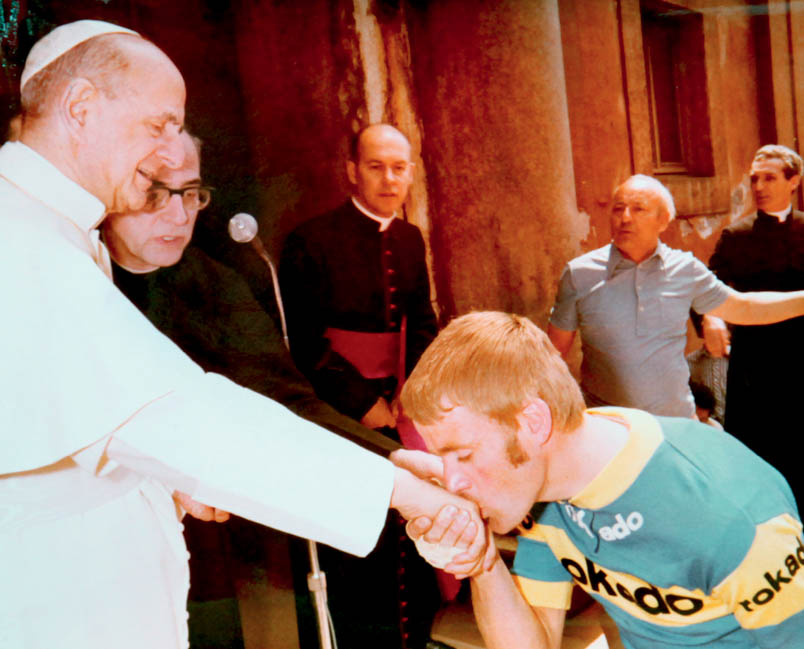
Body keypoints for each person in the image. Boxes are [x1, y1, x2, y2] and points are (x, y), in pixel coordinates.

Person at [0, 20, 488, 649]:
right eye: (158, 125)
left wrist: (164, 477)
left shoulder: (57, 228)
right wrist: (402, 491)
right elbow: (176, 413)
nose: (163, 153)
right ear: (81, 108)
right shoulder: (21, 240)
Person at [101, 131, 403, 646]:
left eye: (191, 193)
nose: (179, 216)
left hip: (198, 541)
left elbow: (287, 399)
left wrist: (396, 463)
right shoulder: (68, 276)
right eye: (154, 194)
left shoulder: (215, 284)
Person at [400, 311, 804, 649]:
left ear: (533, 423)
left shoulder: (734, 517)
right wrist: (481, 560)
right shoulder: (543, 494)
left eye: (464, 455)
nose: (452, 481)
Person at [280, 123, 444, 648]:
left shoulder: (410, 237)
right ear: (353, 171)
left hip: (401, 406)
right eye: (376, 166)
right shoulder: (311, 240)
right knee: (358, 544)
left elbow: (421, 324)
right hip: (338, 412)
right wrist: (364, 403)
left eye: (399, 167)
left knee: (410, 541)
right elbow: (304, 343)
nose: (389, 178)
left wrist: (407, 392)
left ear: (411, 173)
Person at [547, 174, 804, 418]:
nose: (625, 218)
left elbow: (744, 307)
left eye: (639, 209)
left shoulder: (685, 269)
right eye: (618, 208)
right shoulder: (579, 274)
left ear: (663, 220)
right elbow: (552, 354)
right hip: (612, 429)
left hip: (675, 426)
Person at [702, 144, 804, 502]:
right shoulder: (737, 235)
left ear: (794, 181)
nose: (759, 187)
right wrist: (710, 317)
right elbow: (705, 286)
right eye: (754, 179)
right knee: (757, 454)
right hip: (755, 363)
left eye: (769, 178)